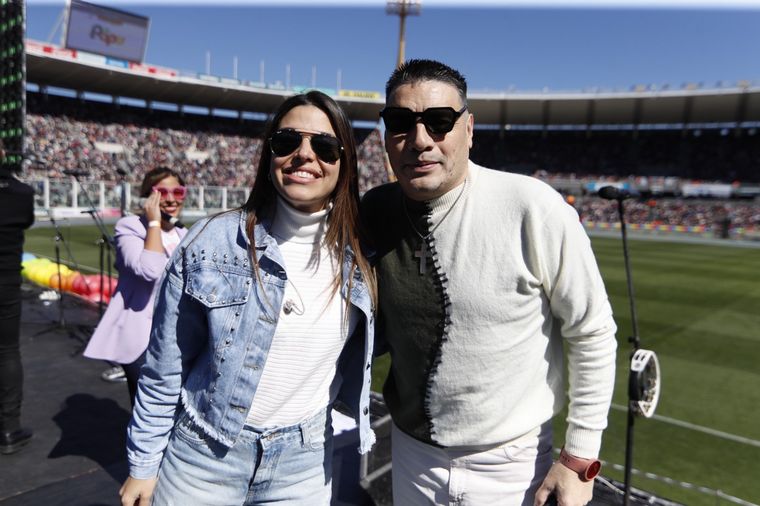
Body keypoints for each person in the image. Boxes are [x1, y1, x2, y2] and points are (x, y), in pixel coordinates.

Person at [362, 59, 618, 506]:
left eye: (439, 122)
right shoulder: (375, 210)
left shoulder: (532, 206)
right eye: (400, 123)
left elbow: (592, 330)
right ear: (385, 134)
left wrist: (579, 458)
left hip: (512, 465)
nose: (419, 140)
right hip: (410, 455)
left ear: (469, 129)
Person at [119, 91, 377, 506]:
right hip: (204, 454)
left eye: (325, 146)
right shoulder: (210, 241)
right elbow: (165, 367)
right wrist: (143, 465)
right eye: (287, 141)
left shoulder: (364, 252)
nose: (304, 155)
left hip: (305, 462)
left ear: (345, 163)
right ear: (268, 154)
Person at [84, 167, 188, 404]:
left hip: (178, 337)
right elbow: (150, 271)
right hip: (143, 340)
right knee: (148, 412)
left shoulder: (183, 233)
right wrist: (153, 224)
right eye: (162, 192)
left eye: (178, 192)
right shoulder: (130, 227)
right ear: (148, 196)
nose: (171, 199)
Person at [0, 141, 35, 455]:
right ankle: (9, 429)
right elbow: (25, 221)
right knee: (8, 351)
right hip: (7, 282)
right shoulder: (22, 193)